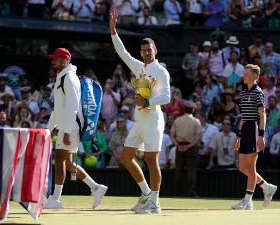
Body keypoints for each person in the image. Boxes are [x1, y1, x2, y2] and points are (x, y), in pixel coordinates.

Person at [110, 10, 170, 214]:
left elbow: (167, 97)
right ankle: (145, 194)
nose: (145, 53)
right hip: (139, 121)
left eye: (149, 50)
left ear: (155, 50)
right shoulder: (139, 67)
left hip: (153, 120)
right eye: (143, 50)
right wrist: (113, 32)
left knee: (152, 161)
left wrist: (147, 102)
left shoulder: (161, 71)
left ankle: (155, 202)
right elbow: (122, 53)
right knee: (126, 157)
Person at [44, 48, 107, 209]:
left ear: (64, 61)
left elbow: (72, 107)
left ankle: (56, 199)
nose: (53, 61)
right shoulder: (62, 77)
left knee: (59, 160)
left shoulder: (69, 78)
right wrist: (48, 129)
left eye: (55, 59)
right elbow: (58, 109)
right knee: (68, 164)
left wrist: (65, 132)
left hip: (70, 128)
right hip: (68, 127)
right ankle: (96, 187)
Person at [232, 64, 277, 210]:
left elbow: (263, 114)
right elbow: (243, 116)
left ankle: (247, 200)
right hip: (245, 130)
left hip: (255, 129)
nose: (243, 76)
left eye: (246, 74)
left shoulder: (258, 93)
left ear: (254, 76)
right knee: (242, 167)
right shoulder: (244, 94)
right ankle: (267, 186)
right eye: (243, 73)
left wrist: (261, 135)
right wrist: (238, 135)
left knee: (251, 168)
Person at [170, 101, 202, 197]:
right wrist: (189, 146)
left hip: (180, 147)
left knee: (179, 171)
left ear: (184, 109)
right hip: (190, 148)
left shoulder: (177, 120)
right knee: (191, 171)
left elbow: (172, 135)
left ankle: (177, 193)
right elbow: (199, 137)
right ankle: (191, 193)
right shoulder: (196, 121)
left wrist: (177, 145)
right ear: (193, 110)